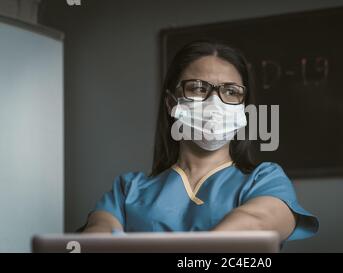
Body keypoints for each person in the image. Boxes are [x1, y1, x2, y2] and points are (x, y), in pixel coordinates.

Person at [83, 40, 318, 243]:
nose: (215, 103)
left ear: (243, 108)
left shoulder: (264, 180)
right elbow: (97, 236)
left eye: (231, 92)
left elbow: (259, 223)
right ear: (171, 103)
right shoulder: (128, 190)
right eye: (197, 88)